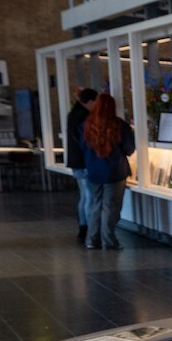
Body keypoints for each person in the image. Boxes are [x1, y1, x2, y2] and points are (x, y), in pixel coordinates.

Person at [76, 93, 135, 251]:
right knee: (111, 207)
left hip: (93, 171)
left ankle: (91, 239)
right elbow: (129, 149)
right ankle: (109, 241)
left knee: (97, 205)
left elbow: (82, 147)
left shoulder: (86, 125)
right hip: (114, 172)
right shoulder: (119, 125)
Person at [65, 87, 98, 245]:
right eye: (95, 102)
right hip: (85, 161)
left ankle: (83, 229)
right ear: (90, 101)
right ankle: (90, 232)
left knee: (84, 196)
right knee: (90, 197)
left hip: (75, 161)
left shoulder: (72, 114)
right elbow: (88, 140)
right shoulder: (85, 116)